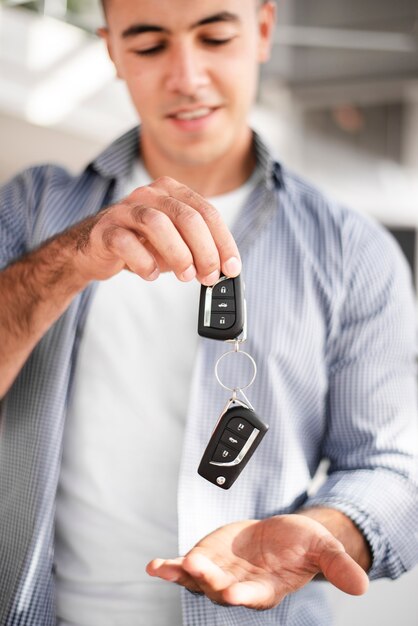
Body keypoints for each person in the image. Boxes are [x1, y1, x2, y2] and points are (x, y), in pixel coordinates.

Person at [0, 0, 417, 624]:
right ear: (110, 47)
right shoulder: (33, 208)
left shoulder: (351, 249)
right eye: (148, 46)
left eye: (215, 36)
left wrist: (324, 531)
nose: (187, 76)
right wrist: (73, 256)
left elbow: (392, 470)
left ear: (264, 31)